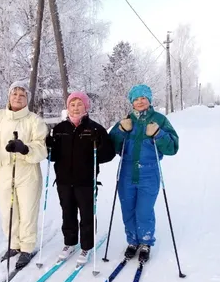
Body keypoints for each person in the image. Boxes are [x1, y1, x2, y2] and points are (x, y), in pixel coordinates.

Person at [0, 81, 48, 269]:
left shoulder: (34, 120)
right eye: (14, 94)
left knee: (27, 210)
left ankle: (27, 247)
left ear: (27, 99)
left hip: (27, 172)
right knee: (8, 210)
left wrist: (24, 148)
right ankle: (14, 244)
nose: (17, 97)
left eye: (22, 95)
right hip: (4, 170)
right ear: (9, 96)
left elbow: (41, 148)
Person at [109, 84, 179, 263]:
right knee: (128, 210)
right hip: (126, 172)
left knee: (144, 210)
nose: (140, 102)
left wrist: (158, 134)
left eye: (143, 98)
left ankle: (146, 242)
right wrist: (120, 131)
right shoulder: (125, 119)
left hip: (149, 173)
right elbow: (111, 148)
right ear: (132, 101)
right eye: (136, 99)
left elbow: (172, 148)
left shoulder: (159, 120)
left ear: (149, 100)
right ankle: (132, 241)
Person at [46, 91, 115, 265]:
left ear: (86, 106)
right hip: (63, 181)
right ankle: (69, 243)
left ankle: (86, 246)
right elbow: (53, 157)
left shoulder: (95, 128)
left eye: (79, 104)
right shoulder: (60, 129)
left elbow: (108, 155)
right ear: (67, 107)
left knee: (87, 215)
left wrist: (98, 144)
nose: (76, 108)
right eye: (72, 104)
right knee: (67, 213)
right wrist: (49, 146)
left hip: (85, 181)